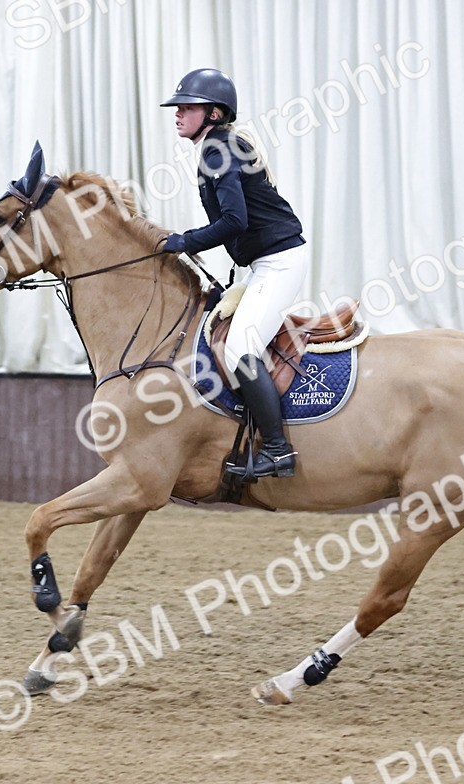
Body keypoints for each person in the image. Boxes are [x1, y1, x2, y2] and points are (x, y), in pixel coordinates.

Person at [160, 68, 309, 479]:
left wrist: (185, 241)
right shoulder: (217, 146)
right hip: (265, 264)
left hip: (280, 262)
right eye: (178, 107)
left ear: (213, 113)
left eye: (187, 107)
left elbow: (234, 221)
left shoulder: (216, 150)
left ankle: (278, 450)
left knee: (240, 346)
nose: (177, 114)